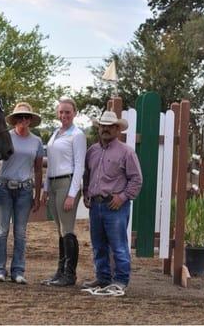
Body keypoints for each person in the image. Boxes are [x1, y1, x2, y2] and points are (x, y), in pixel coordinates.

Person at [0, 102, 44, 284]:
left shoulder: (36, 141)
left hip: (24, 189)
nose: (24, 120)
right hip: (4, 187)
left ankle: (18, 270)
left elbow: (38, 170)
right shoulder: (4, 136)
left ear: (31, 120)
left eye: (27, 117)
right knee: (2, 230)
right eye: (20, 117)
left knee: (21, 232)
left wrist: (37, 195)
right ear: (15, 120)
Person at [81, 111, 142, 294]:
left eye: (110, 126)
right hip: (96, 204)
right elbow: (87, 175)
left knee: (118, 246)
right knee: (98, 245)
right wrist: (86, 193)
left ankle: (121, 280)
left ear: (117, 129)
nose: (105, 129)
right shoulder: (92, 151)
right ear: (98, 128)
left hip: (115, 205)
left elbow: (136, 179)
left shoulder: (126, 152)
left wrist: (122, 197)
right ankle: (103, 277)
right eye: (103, 126)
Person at [41, 97, 86, 287]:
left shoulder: (77, 135)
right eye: (61, 112)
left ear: (74, 113)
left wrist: (72, 193)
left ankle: (70, 274)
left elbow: (79, 166)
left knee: (67, 229)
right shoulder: (56, 134)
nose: (64, 115)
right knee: (60, 230)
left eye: (68, 112)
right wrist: (45, 187)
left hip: (67, 182)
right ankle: (60, 271)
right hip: (53, 183)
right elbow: (50, 164)